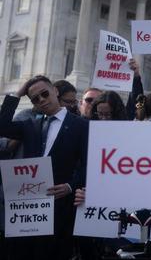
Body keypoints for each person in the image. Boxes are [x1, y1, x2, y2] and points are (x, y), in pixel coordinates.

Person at [0, 75, 88, 260]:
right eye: (35, 98)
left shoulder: (81, 125)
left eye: (45, 93)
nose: (41, 100)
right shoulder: (30, 125)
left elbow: (88, 165)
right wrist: (18, 94)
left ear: (55, 91)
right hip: (27, 207)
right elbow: (2, 126)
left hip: (60, 206)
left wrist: (70, 186)